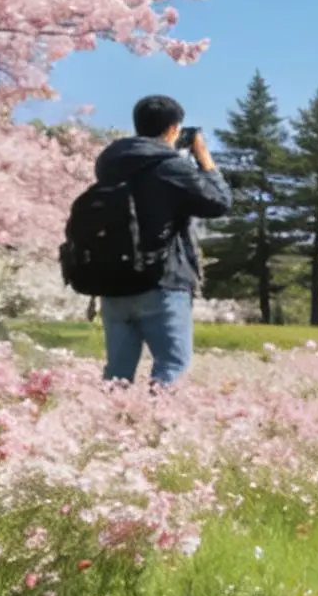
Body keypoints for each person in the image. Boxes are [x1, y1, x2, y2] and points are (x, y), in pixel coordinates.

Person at [94, 97, 232, 388]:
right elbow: (219, 203)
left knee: (117, 377)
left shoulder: (109, 163)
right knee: (172, 370)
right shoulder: (170, 167)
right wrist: (204, 158)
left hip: (114, 284)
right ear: (172, 129)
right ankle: (161, 431)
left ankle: (108, 430)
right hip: (162, 281)